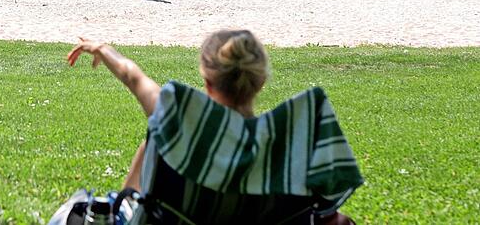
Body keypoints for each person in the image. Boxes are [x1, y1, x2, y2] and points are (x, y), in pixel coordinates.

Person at [67, 30, 360, 223]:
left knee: (154, 138)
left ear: (207, 82)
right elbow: (325, 213)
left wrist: (102, 48)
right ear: (261, 81)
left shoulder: (176, 119)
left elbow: (132, 76)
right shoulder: (294, 144)